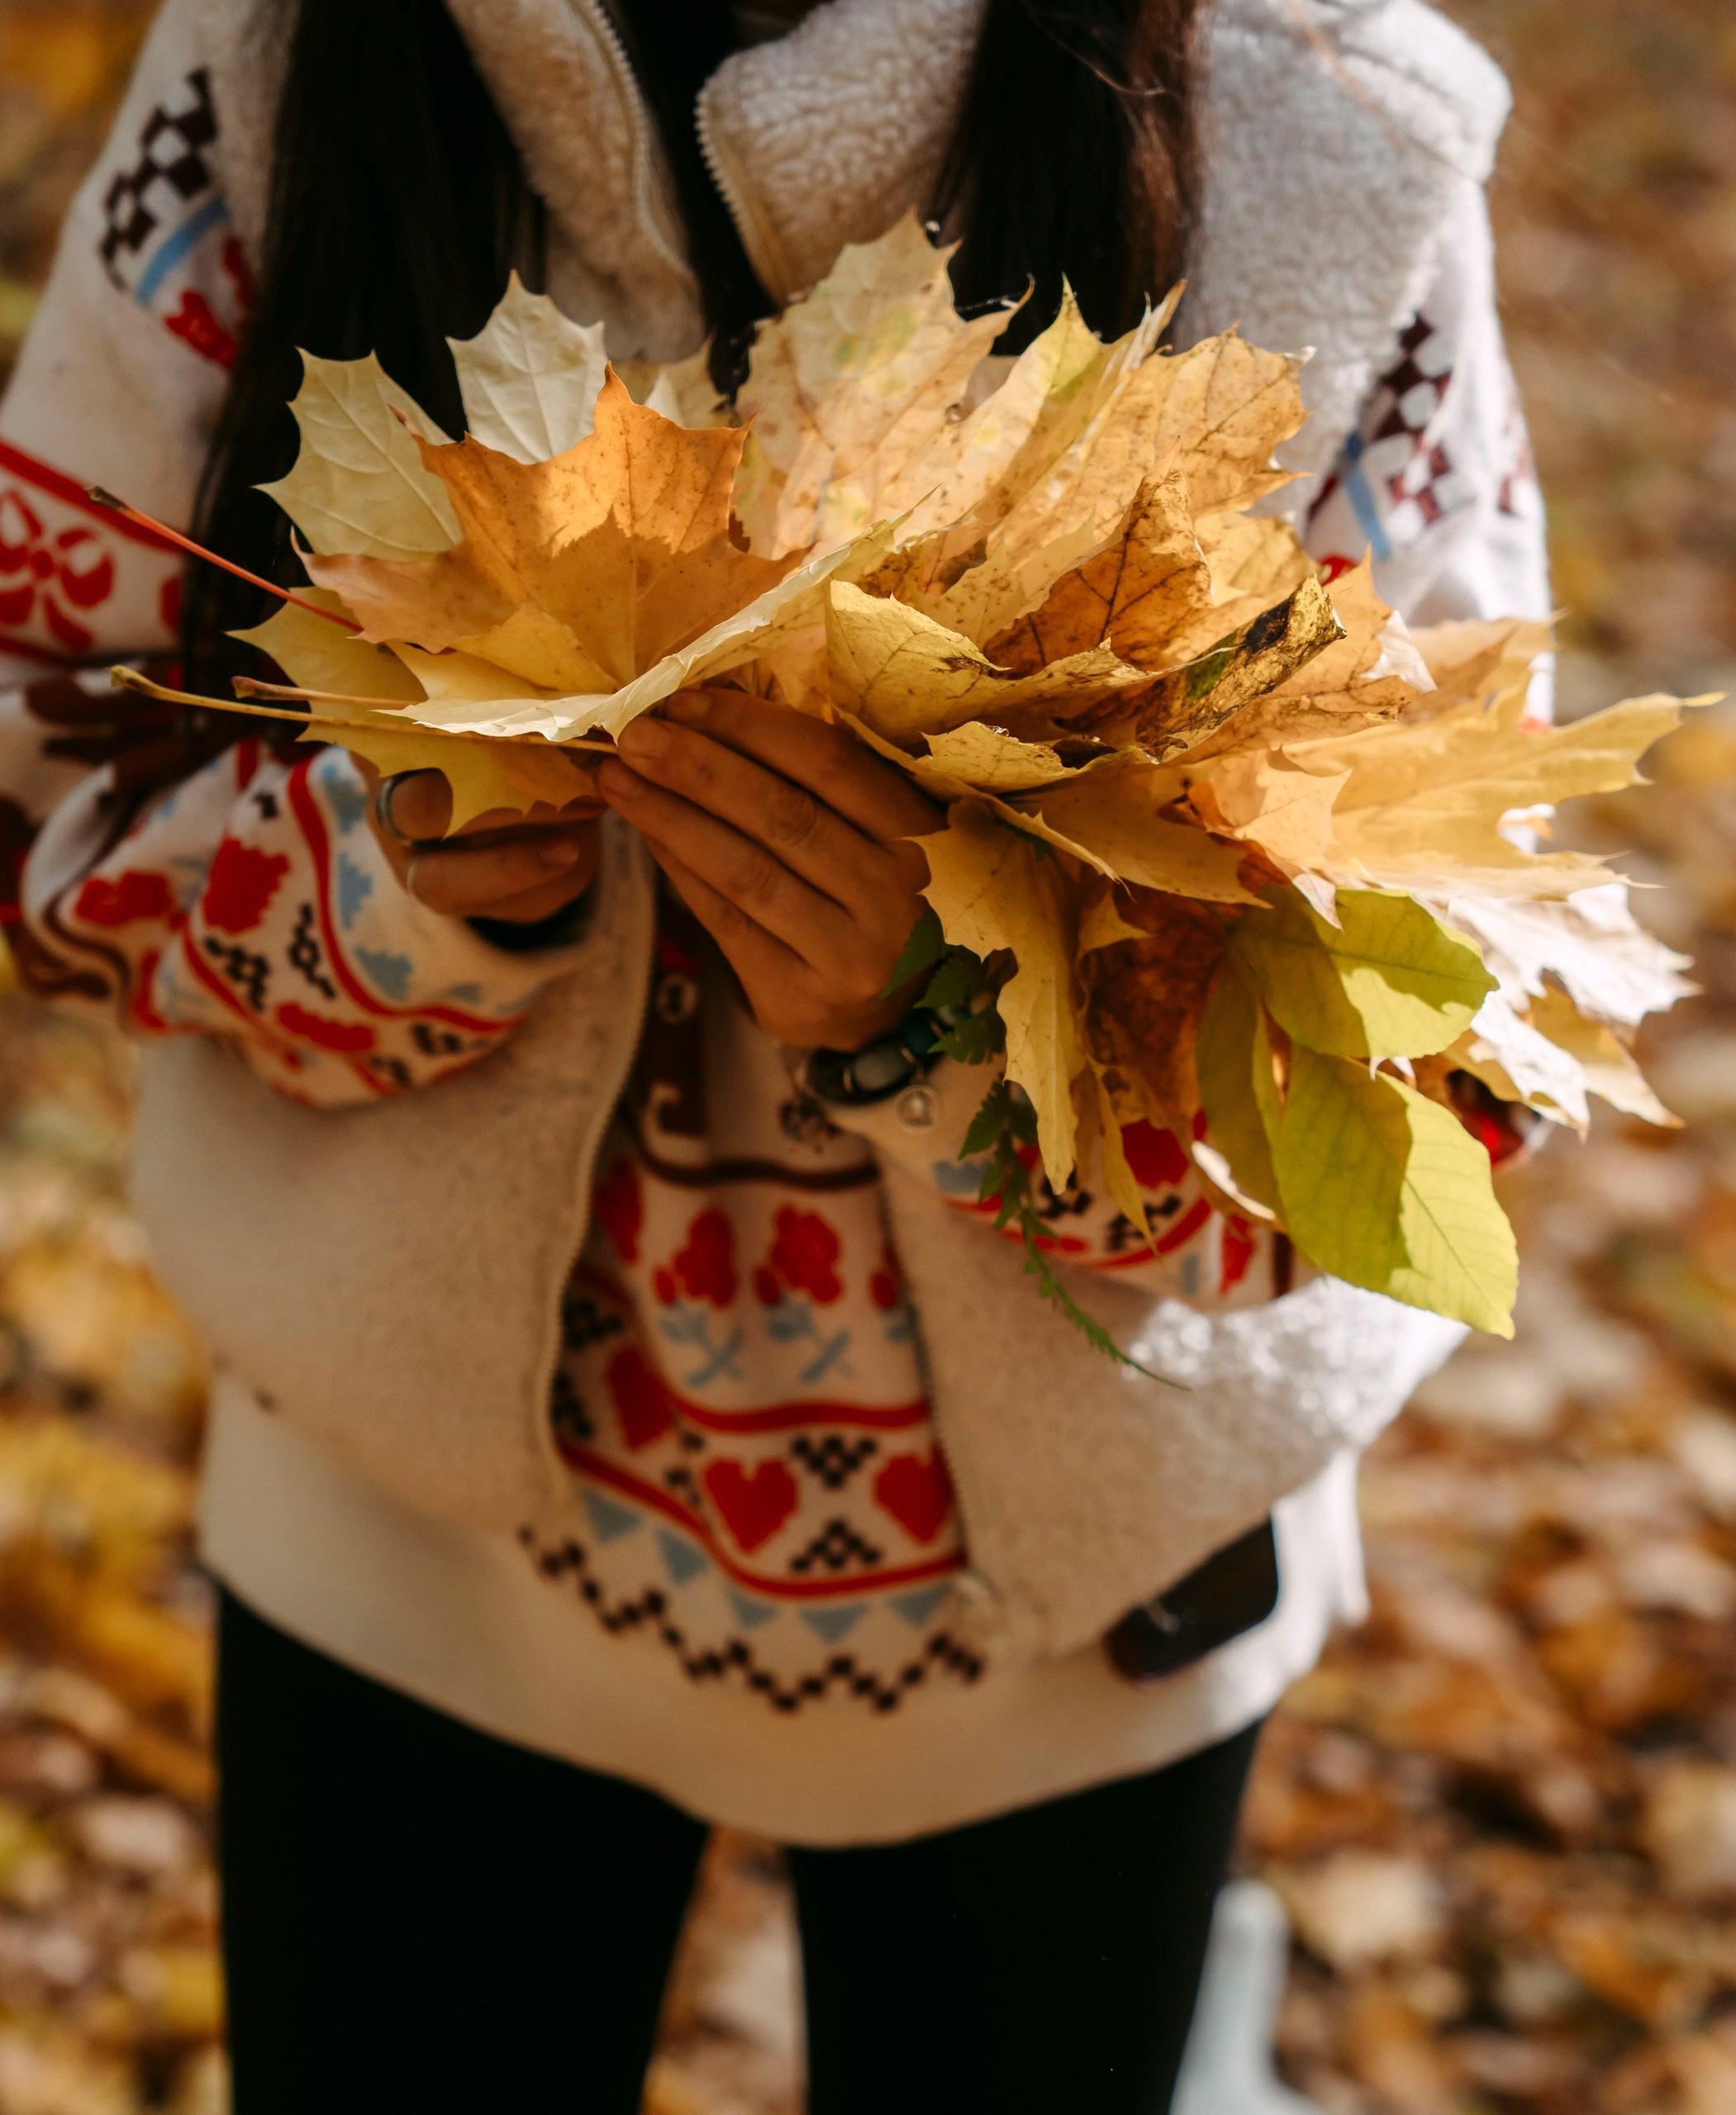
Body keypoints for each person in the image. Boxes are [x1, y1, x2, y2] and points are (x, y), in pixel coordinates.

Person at [0, 1, 1549, 2108]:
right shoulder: (286, 62)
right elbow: (36, 775)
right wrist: (399, 893)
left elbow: (1437, 1056)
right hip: (404, 1552)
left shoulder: (1323, 134)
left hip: (1090, 1624)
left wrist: (961, 1010)